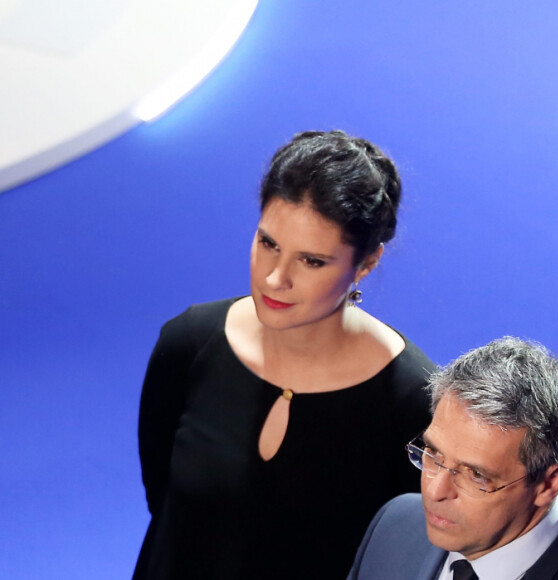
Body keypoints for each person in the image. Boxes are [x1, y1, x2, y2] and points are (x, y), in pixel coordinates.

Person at [132, 130, 435, 580]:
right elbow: (165, 499)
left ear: (367, 263)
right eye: (267, 243)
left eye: (311, 261)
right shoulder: (189, 343)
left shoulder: (414, 402)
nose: (274, 279)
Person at [348, 337, 558, 580]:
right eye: (433, 454)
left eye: (476, 475)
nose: (435, 491)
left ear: (550, 482)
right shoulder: (394, 525)